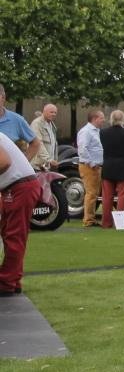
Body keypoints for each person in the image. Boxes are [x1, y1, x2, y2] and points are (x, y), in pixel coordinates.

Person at [0, 131, 42, 295]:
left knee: (13, 235)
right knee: (10, 233)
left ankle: (6, 282)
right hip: (18, 185)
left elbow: (4, 162)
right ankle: (13, 279)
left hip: (19, 186)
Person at [99, 110, 124, 228]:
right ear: (123, 119)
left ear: (111, 119)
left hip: (108, 166)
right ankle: (120, 224)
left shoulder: (103, 133)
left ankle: (106, 222)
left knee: (107, 197)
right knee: (123, 197)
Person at [75, 109, 105, 227]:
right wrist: (92, 163)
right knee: (91, 193)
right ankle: (88, 220)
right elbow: (82, 149)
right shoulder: (86, 131)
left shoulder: (95, 131)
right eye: (102, 118)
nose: (103, 120)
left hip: (95, 166)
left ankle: (91, 218)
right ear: (95, 118)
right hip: (89, 166)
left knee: (94, 193)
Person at [29, 103, 59, 168]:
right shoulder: (37, 123)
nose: (53, 114)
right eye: (51, 112)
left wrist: (54, 160)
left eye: (55, 113)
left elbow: (54, 144)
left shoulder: (52, 125)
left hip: (47, 165)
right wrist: (49, 160)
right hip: (37, 166)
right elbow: (38, 143)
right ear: (44, 111)